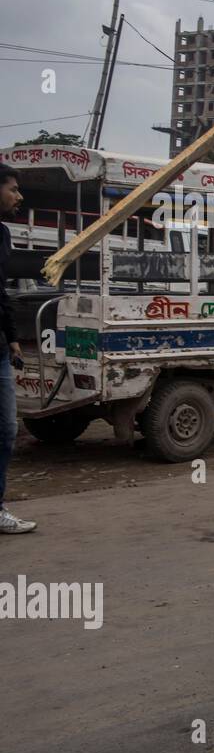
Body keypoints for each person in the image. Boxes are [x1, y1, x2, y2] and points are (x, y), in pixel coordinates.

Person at [0, 164, 35, 534]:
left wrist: (12, 339)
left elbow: (2, 291)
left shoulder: (4, 235)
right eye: (12, 188)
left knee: (7, 430)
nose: (18, 195)